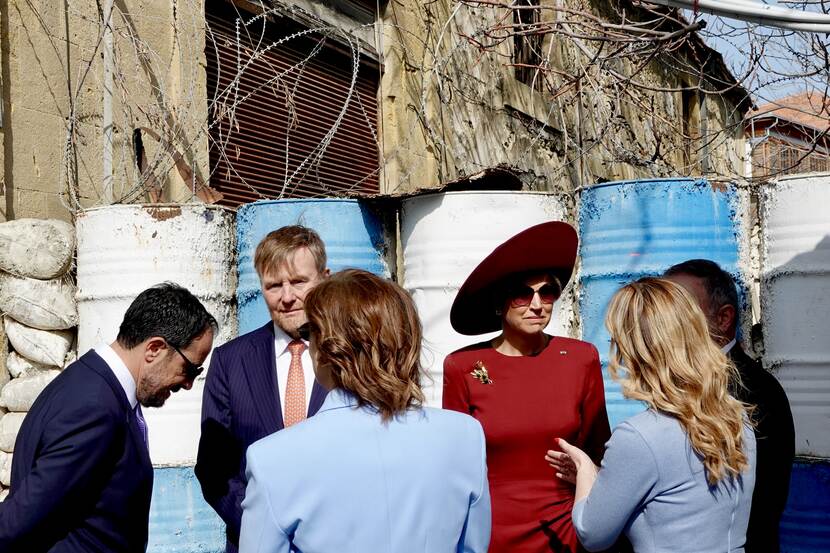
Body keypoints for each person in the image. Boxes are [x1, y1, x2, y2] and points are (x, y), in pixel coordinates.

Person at [238, 269, 491, 553]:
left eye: (310, 332)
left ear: (323, 349)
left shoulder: (272, 457)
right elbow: (473, 547)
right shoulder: (465, 436)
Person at [0, 282, 216, 552]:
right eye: (190, 369)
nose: (188, 384)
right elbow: (22, 517)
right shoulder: (94, 408)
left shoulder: (93, 386)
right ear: (154, 349)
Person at [547, 277, 756, 553]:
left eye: (617, 341)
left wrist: (586, 471)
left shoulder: (639, 436)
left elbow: (592, 533)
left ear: (635, 350)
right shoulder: (736, 417)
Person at [443, 221, 611, 553]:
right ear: (498, 302)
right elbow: (454, 464)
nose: (537, 304)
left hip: (565, 530)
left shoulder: (580, 358)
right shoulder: (463, 367)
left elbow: (599, 448)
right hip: (491, 531)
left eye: (547, 292)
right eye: (523, 293)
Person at [196, 225, 330, 553]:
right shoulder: (231, 362)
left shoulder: (354, 356)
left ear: (325, 278)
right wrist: (265, 530)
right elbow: (215, 470)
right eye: (273, 285)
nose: (286, 297)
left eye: (299, 282)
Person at [664, 259, 795, 553]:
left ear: (723, 319)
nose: (664, 322)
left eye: (680, 311)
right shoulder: (688, 381)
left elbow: (753, 507)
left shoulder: (751, 392)